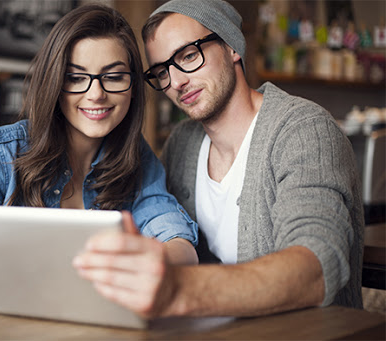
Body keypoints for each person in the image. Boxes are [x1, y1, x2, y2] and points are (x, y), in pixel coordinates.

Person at [73, 0, 364, 318]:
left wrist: (180, 288)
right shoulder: (181, 145)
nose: (177, 82)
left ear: (231, 47)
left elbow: (316, 269)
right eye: (162, 71)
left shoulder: (303, 130)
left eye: (188, 56)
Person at [0, 4, 199, 293]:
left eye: (113, 76)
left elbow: (178, 243)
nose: (96, 94)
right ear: (54, 83)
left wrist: (156, 257)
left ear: (133, 85)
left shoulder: (137, 156)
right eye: (76, 78)